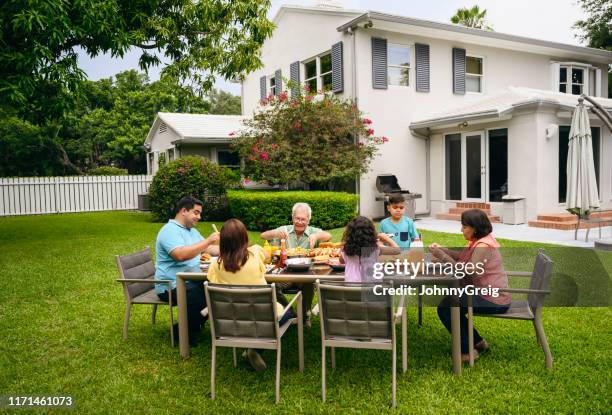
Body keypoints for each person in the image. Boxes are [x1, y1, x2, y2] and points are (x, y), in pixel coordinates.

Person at [208, 218, 293, 371]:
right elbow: (267, 256)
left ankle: (251, 349)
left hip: (231, 320)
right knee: (288, 312)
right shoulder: (255, 253)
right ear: (245, 237)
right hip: (263, 318)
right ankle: (254, 349)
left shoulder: (215, 265)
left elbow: (212, 282)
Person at [429, 209, 511, 362]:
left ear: (475, 228)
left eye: (464, 226)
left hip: (493, 300)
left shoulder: (483, 246)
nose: (461, 229)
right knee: (450, 303)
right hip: (490, 294)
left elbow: (468, 271)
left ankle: (468, 352)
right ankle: (478, 343)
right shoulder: (479, 242)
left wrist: (442, 256)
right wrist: (442, 250)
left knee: (446, 308)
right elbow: (461, 257)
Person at [155, 196, 220, 345]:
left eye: (199, 213)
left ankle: (189, 325)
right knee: (200, 295)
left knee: (218, 287)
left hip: (192, 278)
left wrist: (233, 248)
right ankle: (183, 332)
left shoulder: (190, 231)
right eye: (196, 213)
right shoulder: (169, 231)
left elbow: (208, 248)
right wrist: (208, 240)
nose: (199, 217)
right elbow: (180, 255)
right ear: (184, 211)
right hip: (170, 285)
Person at [260, 202, 332, 325]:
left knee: (309, 284)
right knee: (270, 284)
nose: (299, 222)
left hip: (305, 273)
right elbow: (263, 235)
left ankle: (304, 315)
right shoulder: (285, 229)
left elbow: (328, 235)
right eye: (297, 218)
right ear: (292, 218)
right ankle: (290, 311)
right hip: (285, 273)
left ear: (308, 220)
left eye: (303, 219)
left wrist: (316, 236)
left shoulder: (312, 231)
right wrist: (276, 234)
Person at [340, 216, 400, 282]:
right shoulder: (375, 248)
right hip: (373, 288)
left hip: (352, 288)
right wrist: (386, 238)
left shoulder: (345, 249)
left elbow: (341, 261)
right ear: (371, 233)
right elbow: (397, 250)